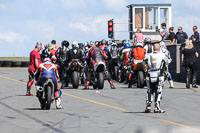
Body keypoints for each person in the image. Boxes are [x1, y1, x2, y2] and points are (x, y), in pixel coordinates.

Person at [145, 43, 167, 113]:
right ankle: (157, 107)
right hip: (159, 75)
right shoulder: (162, 55)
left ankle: (148, 106)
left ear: (153, 48)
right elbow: (167, 63)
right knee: (158, 90)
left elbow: (144, 62)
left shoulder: (148, 55)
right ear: (159, 48)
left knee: (149, 90)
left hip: (150, 74)